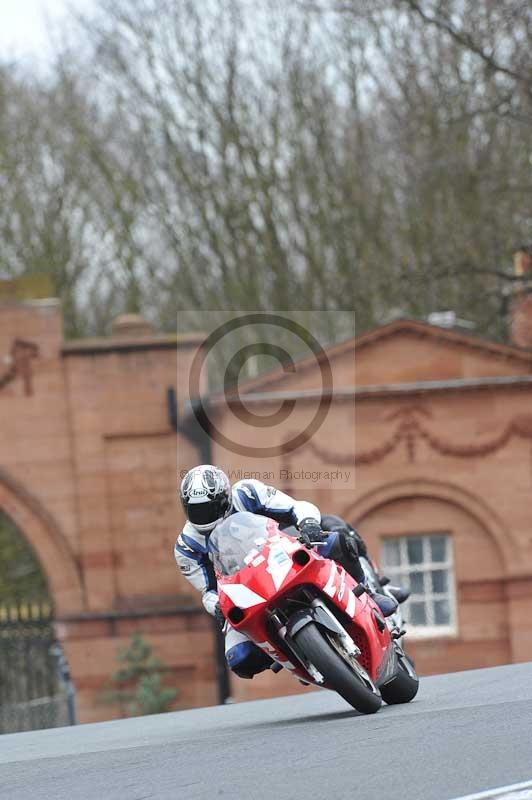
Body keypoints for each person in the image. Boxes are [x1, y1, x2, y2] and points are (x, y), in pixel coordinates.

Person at [175, 464, 398, 680]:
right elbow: (207, 590)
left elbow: (294, 507)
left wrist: (308, 523)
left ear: (225, 496)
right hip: (243, 587)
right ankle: (294, 651)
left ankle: (367, 593)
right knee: (240, 659)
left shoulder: (248, 493)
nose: (203, 515)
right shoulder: (186, 547)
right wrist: (215, 605)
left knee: (337, 542)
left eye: (209, 508)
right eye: (196, 510)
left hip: (280, 550)